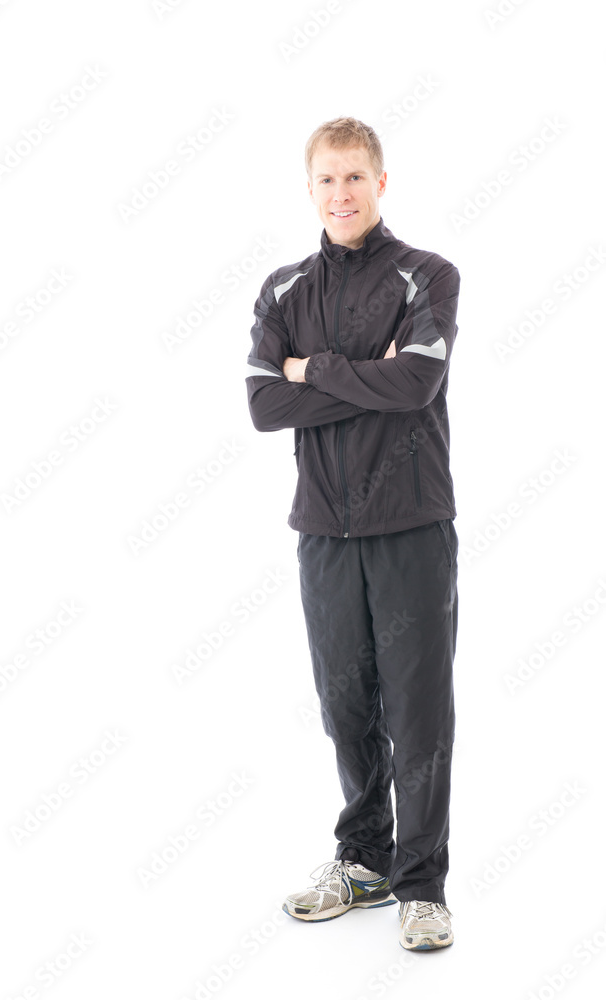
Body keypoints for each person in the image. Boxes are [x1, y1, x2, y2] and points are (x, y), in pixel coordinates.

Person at [245, 117, 460, 951]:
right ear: (309, 190)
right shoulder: (282, 290)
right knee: (345, 706)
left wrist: (318, 370)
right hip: (322, 534)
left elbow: (416, 383)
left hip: (410, 526)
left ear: (380, 183)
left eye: (354, 178)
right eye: (326, 180)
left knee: (419, 709)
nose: (341, 194)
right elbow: (265, 406)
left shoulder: (427, 275)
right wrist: (362, 375)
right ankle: (364, 860)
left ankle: (422, 883)